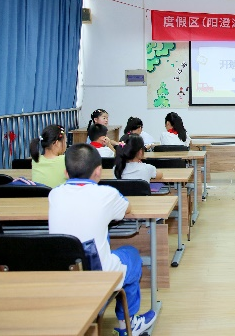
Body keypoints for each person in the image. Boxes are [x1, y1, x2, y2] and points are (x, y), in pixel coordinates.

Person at [48, 144, 157, 336]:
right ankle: (128, 324)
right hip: (97, 273)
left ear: (65, 172)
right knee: (132, 255)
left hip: (63, 273)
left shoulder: (54, 194)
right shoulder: (107, 194)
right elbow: (127, 208)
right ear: (98, 171)